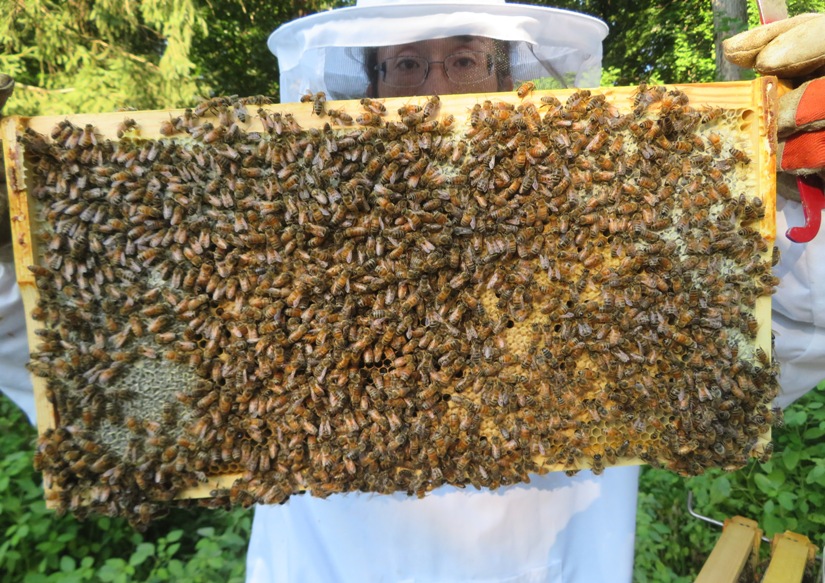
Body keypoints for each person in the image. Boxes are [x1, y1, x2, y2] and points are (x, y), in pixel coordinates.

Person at [247, 1, 825, 582]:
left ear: (508, 74)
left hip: (554, 560)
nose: (437, 89)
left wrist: (807, 197)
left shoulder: (605, 206)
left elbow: (781, 334)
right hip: (325, 561)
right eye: (405, 64)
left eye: (465, 58)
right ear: (372, 84)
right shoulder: (296, 218)